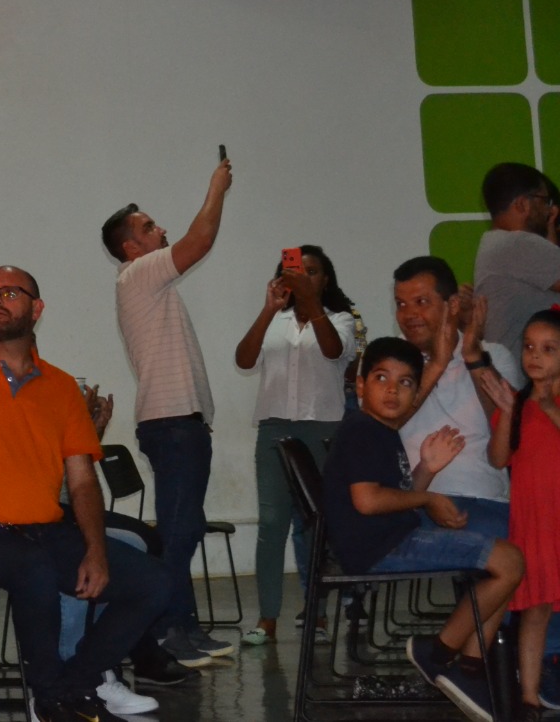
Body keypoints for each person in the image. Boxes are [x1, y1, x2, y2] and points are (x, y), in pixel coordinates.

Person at [0, 266, 167, 722]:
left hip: (40, 529)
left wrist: (96, 549)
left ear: (36, 309)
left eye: (11, 293)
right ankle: (47, 693)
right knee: (34, 568)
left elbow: (81, 481)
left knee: (154, 583)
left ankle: (75, 684)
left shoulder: (60, 387)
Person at [324, 337, 524, 722]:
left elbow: (395, 496)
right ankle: (442, 655)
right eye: (381, 377)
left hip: (390, 539)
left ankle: (466, 668)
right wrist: (430, 500)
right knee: (510, 560)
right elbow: (368, 501)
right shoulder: (363, 430)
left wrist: (427, 469)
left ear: (416, 391)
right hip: (384, 548)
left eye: (405, 383)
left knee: (509, 558)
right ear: (360, 385)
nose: (393, 390)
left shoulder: (377, 431)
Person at [99, 157, 234, 663]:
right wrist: (216, 187)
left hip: (182, 424)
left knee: (185, 528)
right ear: (129, 248)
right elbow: (199, 241)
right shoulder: (137, 275)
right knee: (177, 532)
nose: (162, 231)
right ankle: (165, 632)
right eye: (149, 227)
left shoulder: (150, 283)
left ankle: (185, 626)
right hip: (173, 424)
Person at [232, 244, 357, 646]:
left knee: (313, 526)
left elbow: (333, 350)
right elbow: (244, 359)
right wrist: (269, 308)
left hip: (321, 429)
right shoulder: (275, 320)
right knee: (271, 524)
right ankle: (267, 618)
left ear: (326, 279)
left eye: (314, 272)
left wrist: (310, 302)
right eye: (297, 271)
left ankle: (317, 615)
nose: (305, 277)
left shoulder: (340, 319)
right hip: (273, 429)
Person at [393, 256, 524, 542]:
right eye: (401, 304)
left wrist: (472, 356)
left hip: (484, 501)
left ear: (452, 305)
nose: (409, 314)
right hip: (414, 504)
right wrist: (436, 365)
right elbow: (385, 426)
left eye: (421, 302)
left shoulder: (494, 355)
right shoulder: (390, 363)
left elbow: (507, 430)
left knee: (525, 548)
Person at [485, 309, 560, 722]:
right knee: (535, 610)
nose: (536, 357)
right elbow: (498, 458)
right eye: (529, 347)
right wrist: (510, 414)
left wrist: (549, 407)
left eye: (549, 350)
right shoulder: (514, 402)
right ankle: (529, 698)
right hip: (534, 523)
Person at [476, 162, 560, 357]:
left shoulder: (498, 243)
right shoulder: (517, 243)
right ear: (522, 204)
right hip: (522, 381)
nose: (549, 210)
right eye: (545, 201)